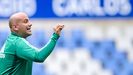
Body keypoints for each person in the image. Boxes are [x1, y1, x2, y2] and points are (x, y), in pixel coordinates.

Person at [0, 12, 64, 75]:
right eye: (25, 21)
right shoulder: (17, 42)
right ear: (15, 27)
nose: (30, 24)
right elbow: (39, 56)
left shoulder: (11, 40)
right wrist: (55, 37)